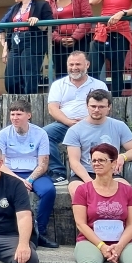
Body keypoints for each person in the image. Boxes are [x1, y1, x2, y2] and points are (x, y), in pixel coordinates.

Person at [0, 99, 58, 248]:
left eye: (19, 114)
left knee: (49, 191)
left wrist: (29, 180)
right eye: (12, 114)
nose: (15, 118)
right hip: (10, 173)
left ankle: (39, 232)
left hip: (34, 173)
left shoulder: (40, 134)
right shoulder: (3, 134)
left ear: (28, 115)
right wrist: (19, 180)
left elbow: (43, 164)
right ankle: (10, 232)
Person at [63, 89, 132, 198]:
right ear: (87, 106)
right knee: (78, 192)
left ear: (109, 107)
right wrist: (90, 182)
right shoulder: (74, 130)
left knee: (128, 193)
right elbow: (74, 161)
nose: (96, 110)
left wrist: (123, 156)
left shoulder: (119, 126)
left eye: (101, 107)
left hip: (111, 174)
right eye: (93, 106)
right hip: (84, 174)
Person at [44, 51, 107, 186]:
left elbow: (104, 107)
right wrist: (69, 122)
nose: (74, 68)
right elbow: (52, 109)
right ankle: (58, 173)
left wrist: (86, 122)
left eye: (78, 64)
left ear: (87, 65)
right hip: (65, 125)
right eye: (71, 64)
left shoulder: (99, 85)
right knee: (44, 134)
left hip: (91, 125)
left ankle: (99, 172)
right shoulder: (58, 85)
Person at [0, 0, 52, 96]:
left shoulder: (42, 5)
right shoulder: (15, 8)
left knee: (29, 75)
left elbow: (50, 26)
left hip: (32, 42)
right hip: (15, 42)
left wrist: (38, 22)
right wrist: (5, 48)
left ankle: (29, 101)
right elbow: (6, 27)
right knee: (11, 78)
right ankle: (16, 101)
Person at [46, 0, 92, 79]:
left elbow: (87, 17)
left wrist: (74, 37)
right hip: (59, 44)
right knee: (61, 72)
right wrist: (59, 39)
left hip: (80, 41)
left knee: (80, 70)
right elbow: (48, 25)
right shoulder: (49, 2)